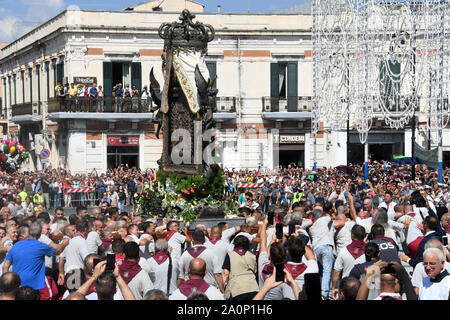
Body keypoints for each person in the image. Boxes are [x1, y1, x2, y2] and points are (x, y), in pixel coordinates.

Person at [3, 222, 69, 290]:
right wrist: (64, 243)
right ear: (40, 233)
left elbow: (5, 266)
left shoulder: (16, 245)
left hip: (18, 285)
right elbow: (57, 251)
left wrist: (7, 284)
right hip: (34, 287)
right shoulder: (40, 246)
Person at [178, 229, 224, 293]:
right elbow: (217, 275)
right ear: (204, 240)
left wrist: (178, 291)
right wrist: (222, 291)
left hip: (190, 291)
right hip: (209, 290)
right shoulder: (211, 253)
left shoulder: (184, 254)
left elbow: (180, 276)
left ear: (192, 240)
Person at [332, 224, 367, 299]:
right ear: (364, 236)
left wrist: (334, 288)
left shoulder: (343, 250)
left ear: (352, 235)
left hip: (346, 290)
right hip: (363, 290)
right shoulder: (369, 251)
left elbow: (336, 272)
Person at [307, 208, 335, 299]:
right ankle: (324, 293)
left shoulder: (311, 227)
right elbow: (330, 217)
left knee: (326, 271)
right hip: (326, 246)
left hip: (316, 249)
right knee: (327, 271)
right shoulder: (324, 219)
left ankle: (329, 293)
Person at [222, 235, 259, 300]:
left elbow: (225, 273)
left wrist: (221, 288)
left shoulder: (230, 255)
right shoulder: (252, 256)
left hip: (237, 289)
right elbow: (255, 272)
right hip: (253, 287)